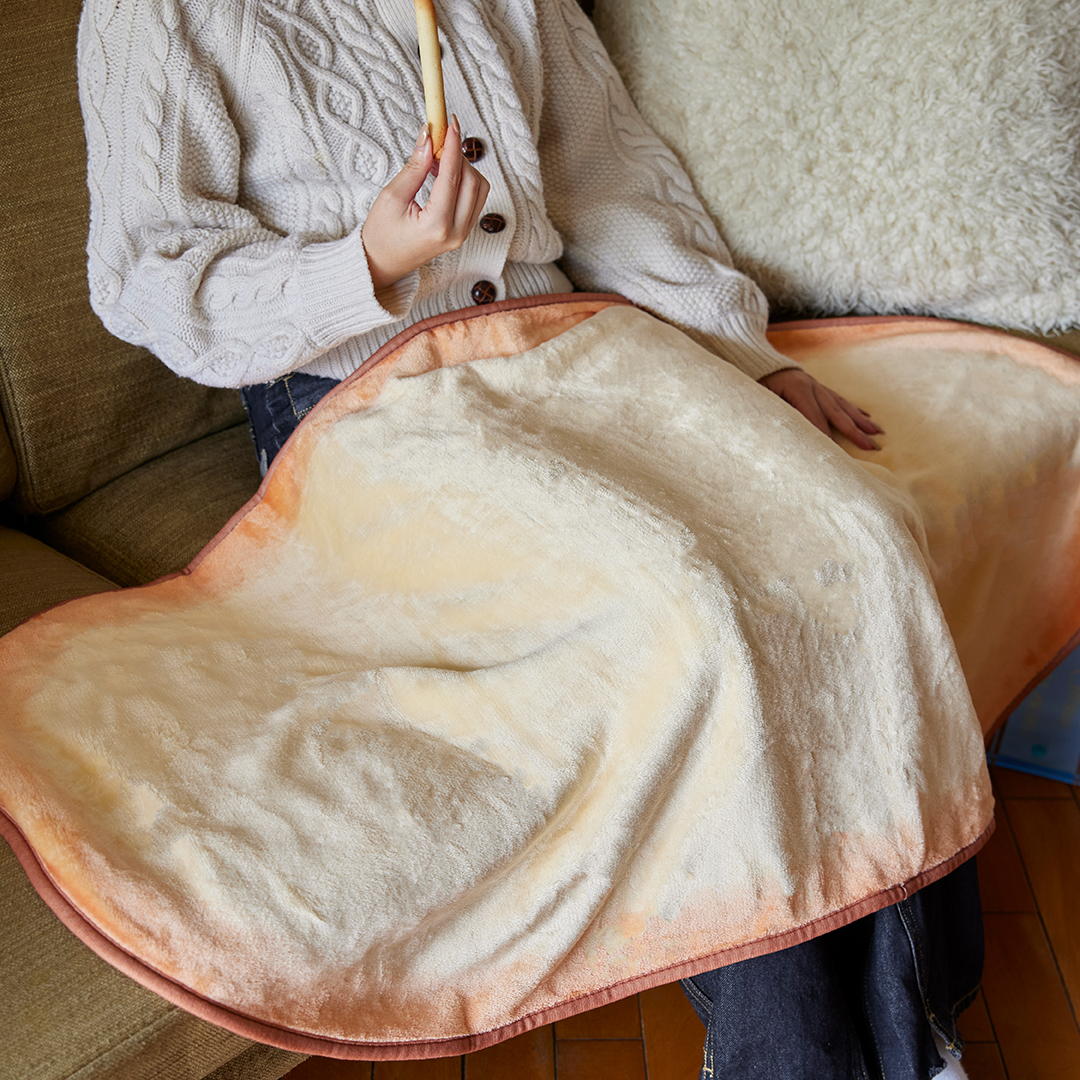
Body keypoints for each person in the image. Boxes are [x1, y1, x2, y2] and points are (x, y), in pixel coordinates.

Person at [77, 0, 978, 1076]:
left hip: (572, 351)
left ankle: (915, 1038)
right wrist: (363, 260)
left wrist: (746, 354)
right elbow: (149, 279)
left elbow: (609, 176)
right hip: (359, 405)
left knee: (857, 538)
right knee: (690, 614)